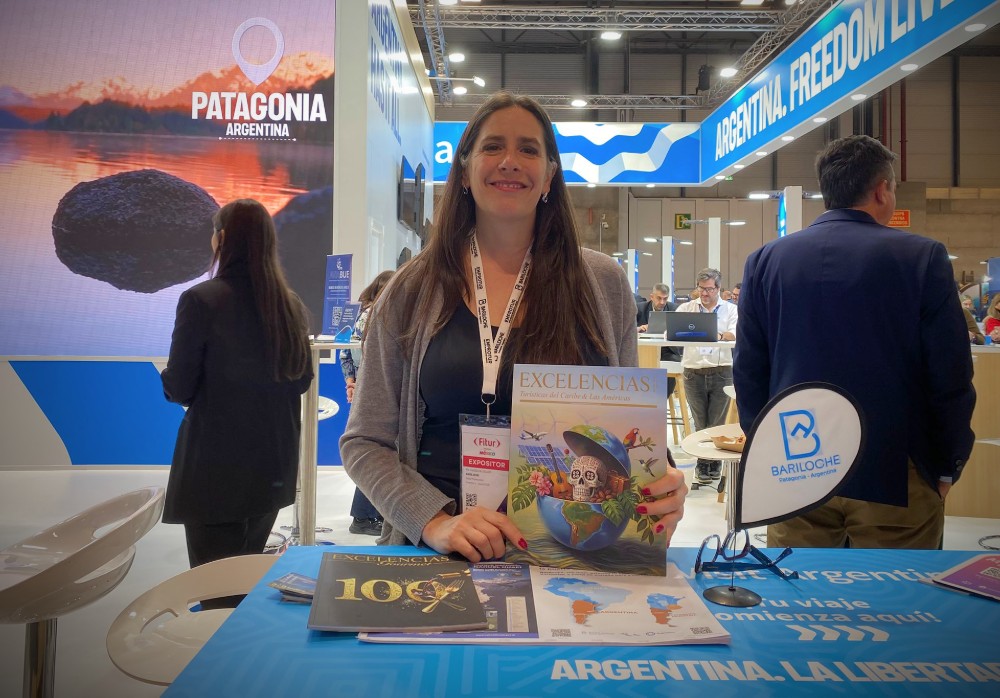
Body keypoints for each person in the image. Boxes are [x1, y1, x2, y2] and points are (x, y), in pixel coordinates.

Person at [340, 92, 687, 562]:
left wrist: (662, 478)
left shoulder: (602, 283)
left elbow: (627, 424)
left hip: (572, 549)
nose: (510, 161)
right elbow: (365, 441)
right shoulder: (411, 289)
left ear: (550, 176)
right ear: (464, 171)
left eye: (528, 149)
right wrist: (433, 521)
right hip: (443, 555)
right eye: (492, 146)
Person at [735, 135, 976, 549]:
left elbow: (749, 371)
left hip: (794, 463)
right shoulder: (921, 258)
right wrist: (947, 463)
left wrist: (766, 451)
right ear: (882, 190)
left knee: (801, 585)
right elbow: (949, 373)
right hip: (895, 466)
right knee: (895, 589)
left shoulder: (765, 261)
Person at [161, 199, 313, 574]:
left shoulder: (200, 300)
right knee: (244, 576)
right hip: (272, 464)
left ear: (222, 237)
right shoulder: (290, 306)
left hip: (215, 468)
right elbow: (302, 379)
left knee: (213, 582)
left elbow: (179, 386)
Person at [340, 270, 394, 535]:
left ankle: (367, 516)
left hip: (366, 387)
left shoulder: (364, 315)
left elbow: (346, 354)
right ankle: (363, 517)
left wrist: (351, 381)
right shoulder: (378, 314)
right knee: (377, 451)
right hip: (376, 390)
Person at [674, 268, 738, 486]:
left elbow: (735, 333)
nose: (704, 293)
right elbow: (669, 332)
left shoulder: (730, 309)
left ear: (718, 288)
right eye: (701, 288)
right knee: (700, 422)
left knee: (717, 423)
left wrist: (715, 334)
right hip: (693, 372)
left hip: (722, 371)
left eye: (709, 289)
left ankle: (715, 462)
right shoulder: (686, 308)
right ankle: (703, 464)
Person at [636, 282, 681, 395]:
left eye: (665, 299)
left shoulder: (674, 309)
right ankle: (643, 396)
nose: (662, 302)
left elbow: (680, 330)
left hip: (667, 350)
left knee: (674, 362)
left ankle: (664, 396)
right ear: (652, 297)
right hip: (643, 350)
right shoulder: (639, 308)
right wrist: (639, 328)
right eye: (659, 298)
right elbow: (628, 328)